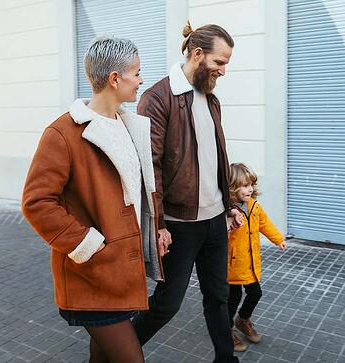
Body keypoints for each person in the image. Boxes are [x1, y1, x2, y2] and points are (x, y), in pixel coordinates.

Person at [21, 36, 165, 363]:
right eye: (137, 72)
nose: (142, 80)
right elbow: (37, 202)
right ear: (115, 78)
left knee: (101, 358)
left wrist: (156, 228)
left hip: (122, 273)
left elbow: (139, 190)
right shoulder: (63, 133)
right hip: (93, 273)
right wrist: (87, 243)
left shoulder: (131, 126)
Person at [131, 21, 242, 363]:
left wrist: (229, 205)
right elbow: (150, 168)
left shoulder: (211, 100)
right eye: (219, 62)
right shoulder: (158, 98)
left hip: (214, 221)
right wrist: (159, 223)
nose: (224, 70)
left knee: (219, 297)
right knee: (168, 304)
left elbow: (215, 159)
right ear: (197, 55)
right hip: (178, 225)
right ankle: (115, 351)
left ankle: (226, 358)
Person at [226, 163, 287, 352]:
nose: (250, 189)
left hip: (251, 264)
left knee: (256, 293)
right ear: (233, 187)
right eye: (245, 185)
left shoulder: (254, 207)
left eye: (251, 184)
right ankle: (227, 330)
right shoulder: (227, 210)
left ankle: (243, 320)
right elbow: (219, 234)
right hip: (233, 265)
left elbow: (265, 224)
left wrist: (278, 239)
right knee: (232, 298)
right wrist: (230, 224)